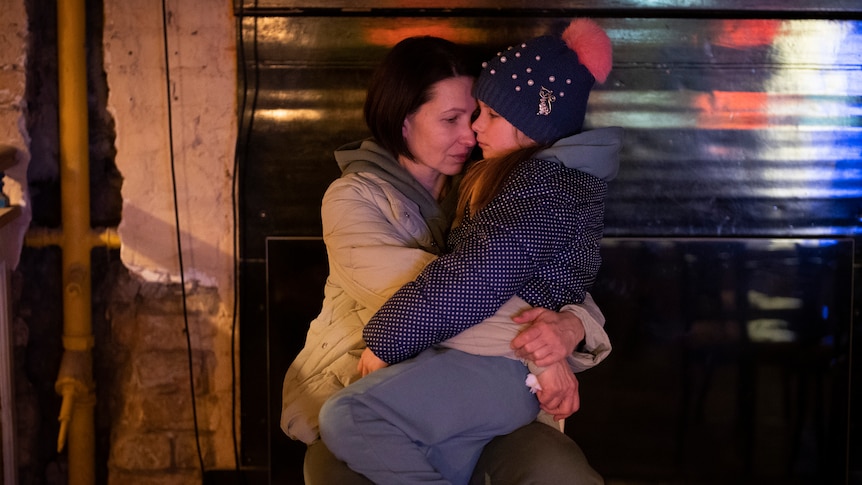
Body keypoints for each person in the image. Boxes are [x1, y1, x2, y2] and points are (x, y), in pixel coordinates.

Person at [281, 33, 613, 484]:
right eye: (452, 118)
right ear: (403, 121)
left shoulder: (500, 185)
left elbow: (552, 281)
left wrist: (572, 325)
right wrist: (543, 352)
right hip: (382, 384)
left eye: (479, 114)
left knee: (558, 470)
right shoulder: (352, 199)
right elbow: (448, 288)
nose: (470, 132)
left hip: (471, 387)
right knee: (346, 431)